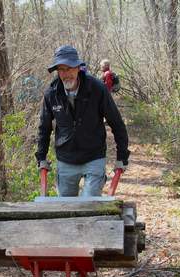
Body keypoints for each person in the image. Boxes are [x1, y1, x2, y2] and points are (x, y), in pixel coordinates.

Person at [35, 45, 130, 197]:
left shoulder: (97, 89)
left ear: (78, 67)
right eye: (61, 69)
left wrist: (122, 156)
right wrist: (41, 157)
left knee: (89, 205)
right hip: (66, 158)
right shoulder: (52, 94)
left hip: (94, 156)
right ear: (57, 71)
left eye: (70, 68)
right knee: (66, 210)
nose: (66, 74)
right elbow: (44, 128)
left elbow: (116, 123)